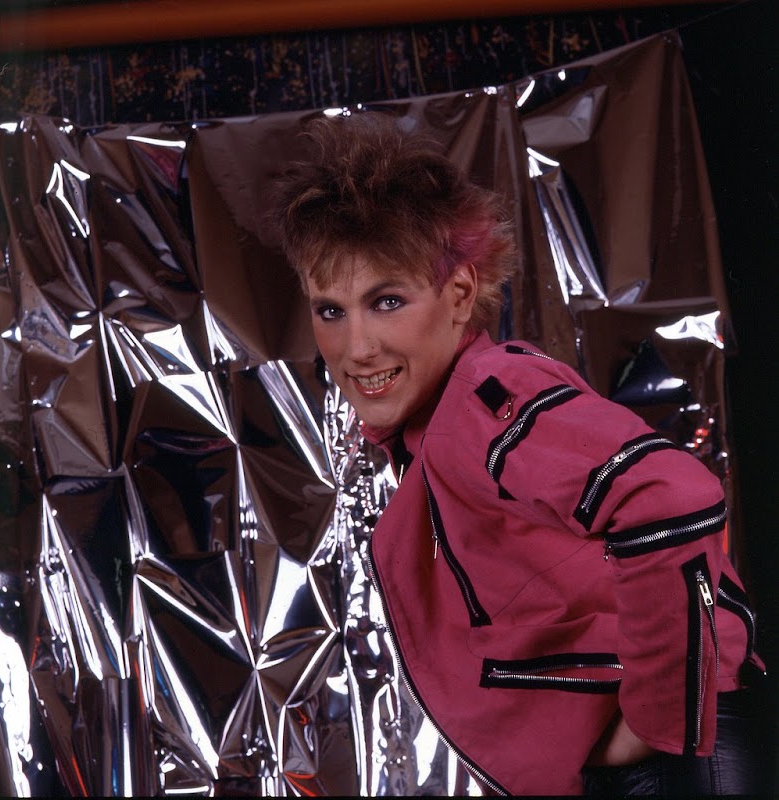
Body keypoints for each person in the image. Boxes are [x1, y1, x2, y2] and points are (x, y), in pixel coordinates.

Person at [272, 111, 767, 796]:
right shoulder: (439, 432)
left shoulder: (485, 397)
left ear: (459, 295)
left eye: (386, 301)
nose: (356, 348)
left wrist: (655, 724)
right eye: (331, 310)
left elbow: (670, 498)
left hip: (673, 766)